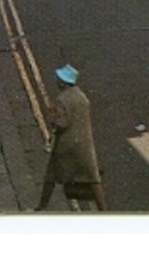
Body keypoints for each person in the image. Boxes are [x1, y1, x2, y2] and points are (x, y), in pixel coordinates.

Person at [38, 65, 106, 211]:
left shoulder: (62, 99)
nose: (56, 81)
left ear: (64, 82)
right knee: (93, 177)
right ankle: (103, 209)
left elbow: (62, 123)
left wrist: (53, 117)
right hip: (84, 145)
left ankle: (42, 206)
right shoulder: (82, 96)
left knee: (51, 176)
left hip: (66, 145)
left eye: (58, 79)